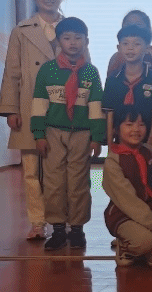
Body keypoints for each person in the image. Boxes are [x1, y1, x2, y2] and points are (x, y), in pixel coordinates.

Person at [0, 0, 66, 240]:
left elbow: (86, 67)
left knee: (62, 168)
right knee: (31, 170)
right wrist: (11, 108)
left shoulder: (72, 28)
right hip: (29, 105)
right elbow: (12, 71)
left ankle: (62, 220)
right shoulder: (21, 30)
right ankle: (38, 222)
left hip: (64, 106)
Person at [31, 17, 104, 251]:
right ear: (58, 42)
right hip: (53, 132)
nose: (73, 43)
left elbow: (96, 107)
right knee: (53, 182)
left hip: (81, 134)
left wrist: (97, 137)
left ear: (86, 41)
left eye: (78, 38)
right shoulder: (47, 71)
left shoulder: (91, 72)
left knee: (79, 182)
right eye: (67, 38)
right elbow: (39, 106)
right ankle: (58, 230)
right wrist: (39, 135)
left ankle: (78, 229)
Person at [103, 105, 152, 269]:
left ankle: (140, 250)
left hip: (150, 216)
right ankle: (125, 248)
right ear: (116, 129)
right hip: (124, 216)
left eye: (141, 124)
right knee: (144, 241)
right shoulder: (113, 160)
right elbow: (128, 200)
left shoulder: (149, 153)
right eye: (129, 124)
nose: (136, 129)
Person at [102, 25, 152, 149]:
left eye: (137, 44)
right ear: (118, 48)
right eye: (125, 44)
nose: (130, 48)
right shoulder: (113, 79)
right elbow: (110, 115)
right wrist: (110, 148)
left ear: (147, 48)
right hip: (119, 143)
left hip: (147, 143)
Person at [106, 10, 152, 76]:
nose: (133, 27)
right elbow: (110, 79)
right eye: (128, 24)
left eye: (138, 24)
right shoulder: (116, 57)